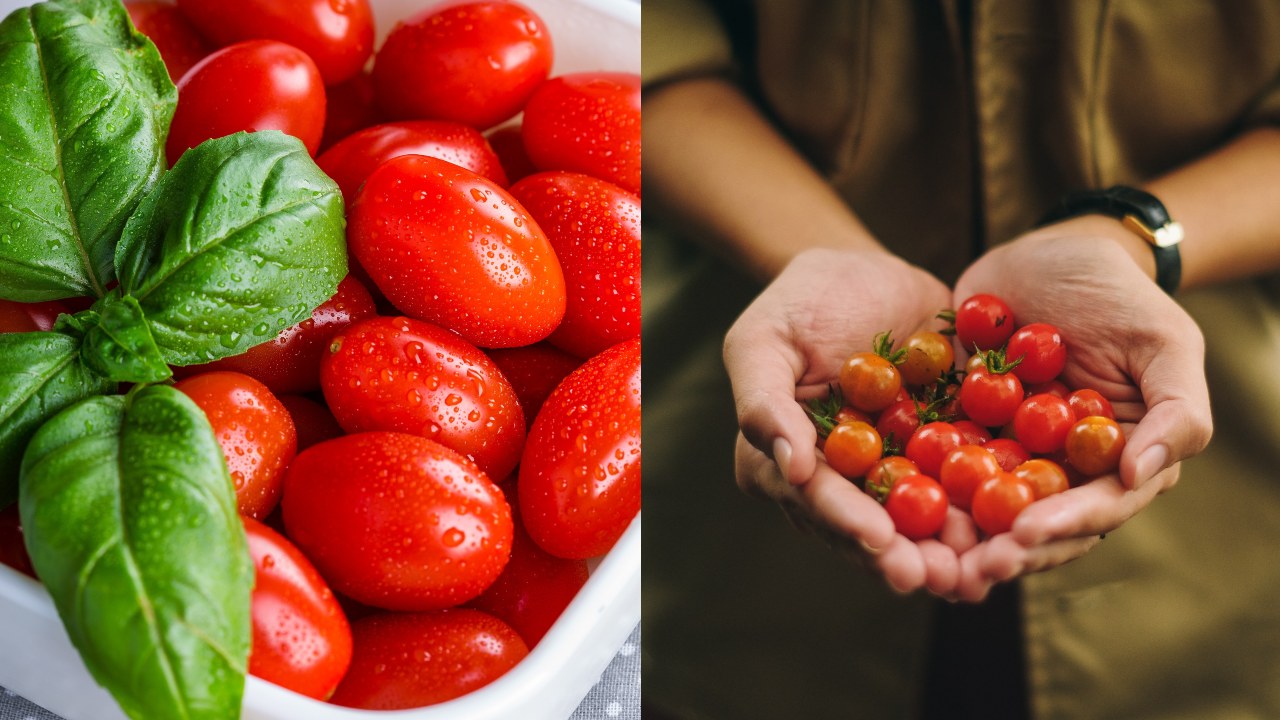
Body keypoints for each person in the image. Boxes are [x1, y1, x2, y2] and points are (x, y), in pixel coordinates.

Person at [642, 1, 1280, 718]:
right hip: (739, 542)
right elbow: (647, 59)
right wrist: (817, 251)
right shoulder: (919, 400)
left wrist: (1133, 241)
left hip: (1218, 529)